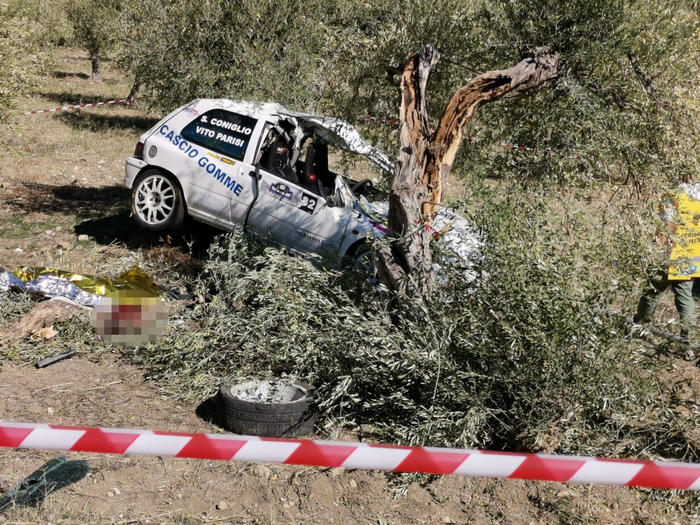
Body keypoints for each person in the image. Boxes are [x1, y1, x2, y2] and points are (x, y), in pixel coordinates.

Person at [633, 184, 700, 345]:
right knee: (686, 298)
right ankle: (690, 344)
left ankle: (640, 329)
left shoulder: (672, 196)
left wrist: (651, 256)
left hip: (668, 257)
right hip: (690, 257)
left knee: (651, 293)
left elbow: (665, 228)